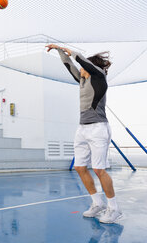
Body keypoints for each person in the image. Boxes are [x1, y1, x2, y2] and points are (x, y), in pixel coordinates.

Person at [46, 44, 122, 224]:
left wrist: (63, 47)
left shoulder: (99, 77)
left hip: (98, 128)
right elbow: (69, 65)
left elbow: (79, 59)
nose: (80, 69)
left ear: (90, 66)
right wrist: (59, 52)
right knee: (80, 167)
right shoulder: (82, 80)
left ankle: (114, 208)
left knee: (99, 169)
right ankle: (98, 204)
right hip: (82, 129)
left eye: (83, 67)